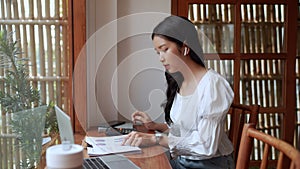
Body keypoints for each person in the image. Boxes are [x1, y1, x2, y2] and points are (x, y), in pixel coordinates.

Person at [122, 15, 235, 169]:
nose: (161, 58)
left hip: (209, 164)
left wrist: (157, 139)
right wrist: (155, 125)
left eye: (165, 49)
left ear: (185, 47)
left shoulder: (212, 84)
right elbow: (184, 131)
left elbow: (206, 145)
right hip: (183, 160)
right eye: (158, 53)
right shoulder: (181, 82)